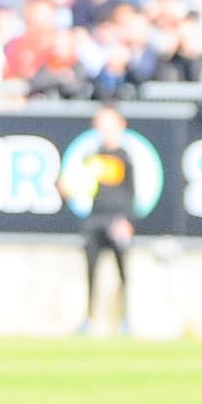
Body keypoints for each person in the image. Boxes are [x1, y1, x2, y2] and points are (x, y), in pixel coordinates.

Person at [61, 103, 137, 336]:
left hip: (117, 220)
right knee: (91, 272)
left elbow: (131, 193)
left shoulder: (124, 158)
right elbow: (75, 184)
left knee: (122, 272)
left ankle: (124, 320)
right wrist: (65, 188)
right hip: (95, 219)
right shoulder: (91, 157)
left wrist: (127, 220)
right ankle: (89, 318)